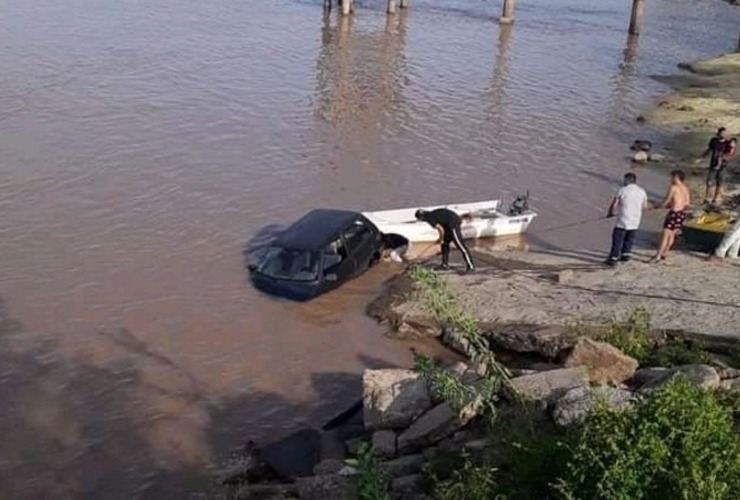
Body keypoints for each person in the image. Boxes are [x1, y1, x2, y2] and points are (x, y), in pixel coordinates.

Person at [605, 172, 648, 266]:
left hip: (623, 220)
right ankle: (625, 254)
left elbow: (615, 203)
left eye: (624, 180)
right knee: (630, 238)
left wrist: (610, 213)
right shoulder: (642, 191)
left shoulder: (622, 190)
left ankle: (613, 258)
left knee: (618, 238)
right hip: (635, 220)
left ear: (627, 180)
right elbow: (644, 206)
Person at [651, 170, 690, 263]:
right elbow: (687, 202)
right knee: (672, 234)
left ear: (676, 177)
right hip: (681, 213)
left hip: (674, 213)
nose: (670, 179)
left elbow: (666, 201)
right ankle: (665, 253)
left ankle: (658, 256)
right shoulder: (685, 188)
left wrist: (656, 206)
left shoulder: (673, 187)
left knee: (665, 234)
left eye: (672, 177)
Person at [701, 127, 727, 205]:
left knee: (719, 182)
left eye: (724, 134)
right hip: (713, 164)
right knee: (709, 182)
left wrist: (724, 159)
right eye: (722, 133)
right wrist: (702, 157)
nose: (723, 135)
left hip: (723, 166)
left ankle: (715, 199)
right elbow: (709, 150)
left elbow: (731, 153)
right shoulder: (714, 141)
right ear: (718, 133)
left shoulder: (727, 143)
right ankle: (706, 198)